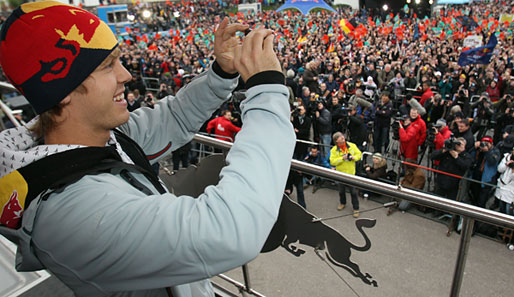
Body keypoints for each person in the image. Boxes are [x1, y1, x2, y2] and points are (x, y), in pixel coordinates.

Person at [0, 3, 295, 297]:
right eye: (108, 65)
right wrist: (266, 91)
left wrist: (220, 74)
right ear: (62, 90)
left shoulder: (99, 137)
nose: (126, 75)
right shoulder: (71, 213)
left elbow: (174, 117)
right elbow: (230, 231)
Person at [330, 132, 362, 217]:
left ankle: (356, 209)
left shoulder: (352, 145)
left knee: (353, 192)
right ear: (336, 141)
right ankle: (342, 203)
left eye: (342, 136)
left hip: (351, 174)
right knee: (341, 191)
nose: (342, 137)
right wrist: (342, 159)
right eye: (340, 137)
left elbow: (359, 154)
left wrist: (354, 157)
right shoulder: (333, 150)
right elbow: (332, 161)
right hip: (340, 174)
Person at [494, 148, 514, 216]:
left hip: (511, 192)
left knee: (509, 211)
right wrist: (506, 164)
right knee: (502, 208)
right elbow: (499, 169)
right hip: (502, 188)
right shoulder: (507, 157)